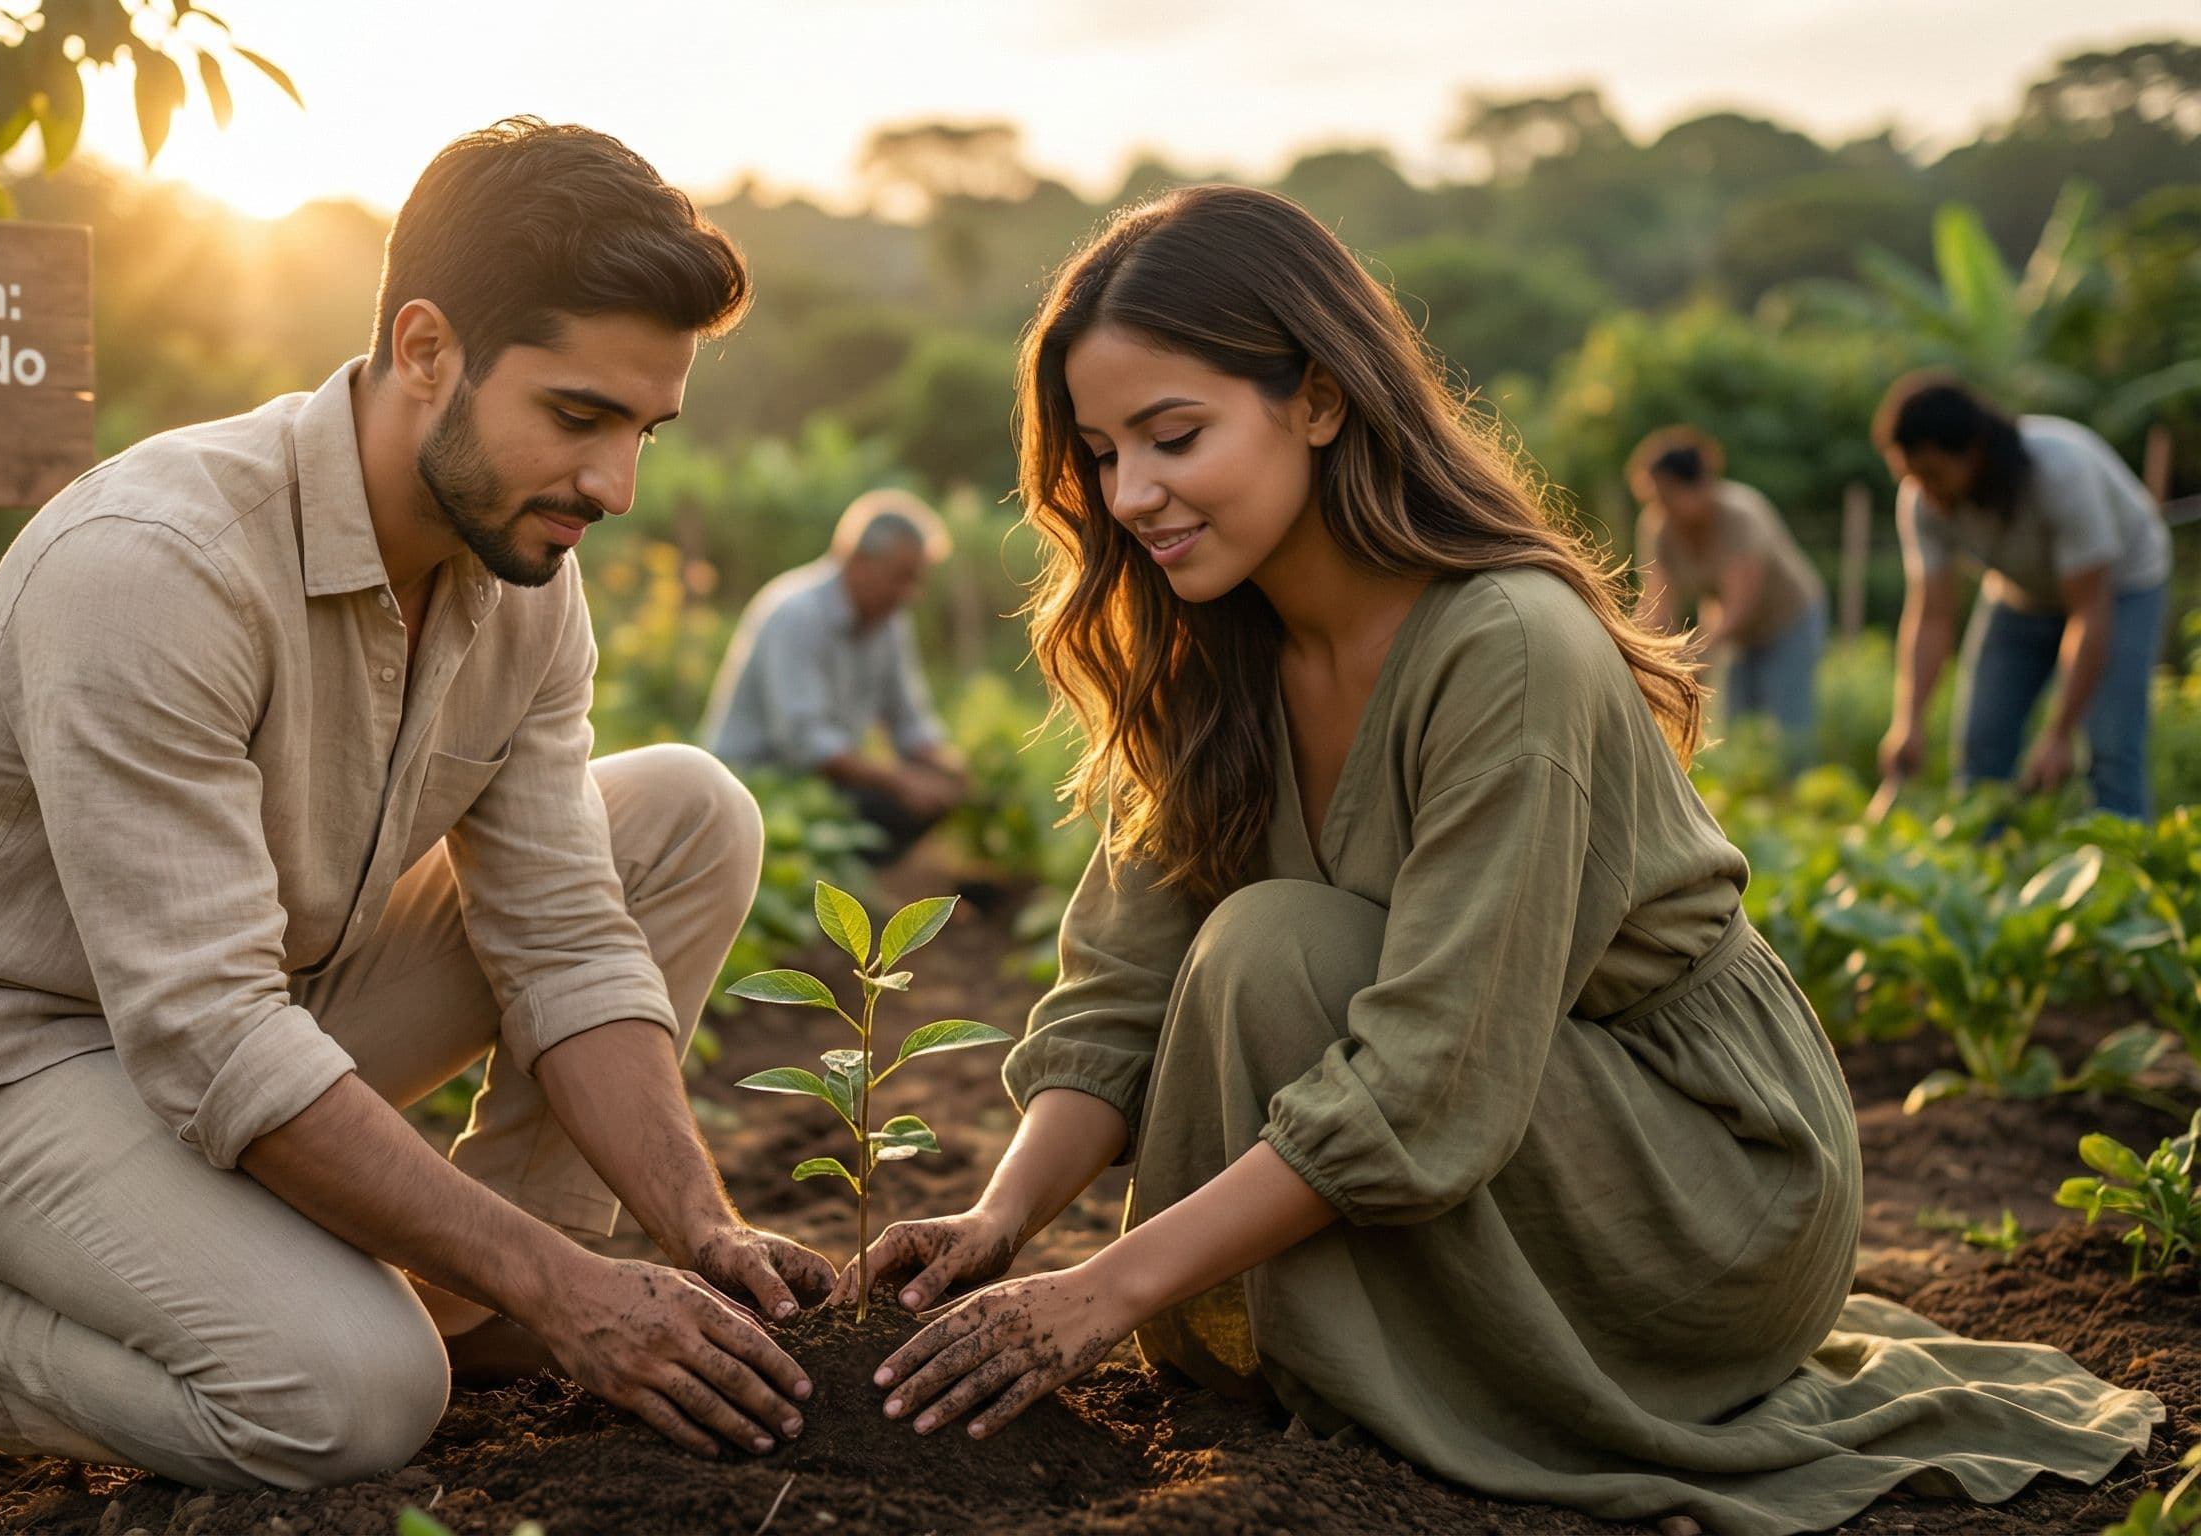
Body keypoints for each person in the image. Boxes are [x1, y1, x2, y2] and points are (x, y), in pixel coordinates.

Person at [833, 186, 2158, 1536]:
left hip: (1697, 1180)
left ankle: (1425, 1375)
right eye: (1102, 454)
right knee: (1250, 949)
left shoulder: (1506, 646)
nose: (1133, 496)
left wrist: (1109, 1287)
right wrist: (1003, 1226)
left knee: (1272, 948)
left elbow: (1436, 1068)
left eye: (1175, 437)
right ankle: (1357, 1354)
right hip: (1496, 1126)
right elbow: (1119, 992)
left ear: (1323, 399)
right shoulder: (1209, 647)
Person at [0, 120, 836, 1516]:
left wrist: (696, 1227)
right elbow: (209, 1035)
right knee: (349, 1399)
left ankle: (476, 1306)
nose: (614, 487)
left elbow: (567, 937)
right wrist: (559, 1279)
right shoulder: (157, 567)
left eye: (643, 432)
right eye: (580, 417)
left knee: (683, 814)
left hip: (256, 1002)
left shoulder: (521, 571)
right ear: (426, 350)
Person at [1874, 373, 2174, 820]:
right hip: (2020, 594)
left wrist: (2058, 733)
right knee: (1981, 744)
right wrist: (1909, 721)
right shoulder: (1921, 500)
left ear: (1973, 452)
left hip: (2122, 586)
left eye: (1934, 475)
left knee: (2110, 748)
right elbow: (1931, 616)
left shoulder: (2059, 471)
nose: (1925, 492)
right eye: (1912, 477)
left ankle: (2122, 868)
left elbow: (2089, 612)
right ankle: (1981, 872)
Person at [702, 487, 968, 860]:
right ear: (859, 561)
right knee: (892, 802)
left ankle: (853, 882)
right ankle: (834, 885)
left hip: (823, 783)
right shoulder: (795, 613)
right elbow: (803, 742)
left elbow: (908, 719)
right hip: (760, 783)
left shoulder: (889, 623)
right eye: (901, 577)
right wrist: (900, 780)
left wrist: (951, 769)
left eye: (917, 580)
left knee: (933, 795)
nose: (910, 593)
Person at [1627, 425, 1829, 770]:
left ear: (1700, 485)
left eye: (1670, 495)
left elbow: (1740, 607)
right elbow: (1656, 602)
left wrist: (1697, 655)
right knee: (1736, 728)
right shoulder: (1659, 527)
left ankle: (1799, 799)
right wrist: (1644, 656)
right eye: (1656, 497)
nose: (1662, 506)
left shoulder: (1741, 515)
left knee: (1790, 728)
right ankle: (1750, 803)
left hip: (1788, 620)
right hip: (1732, 630)